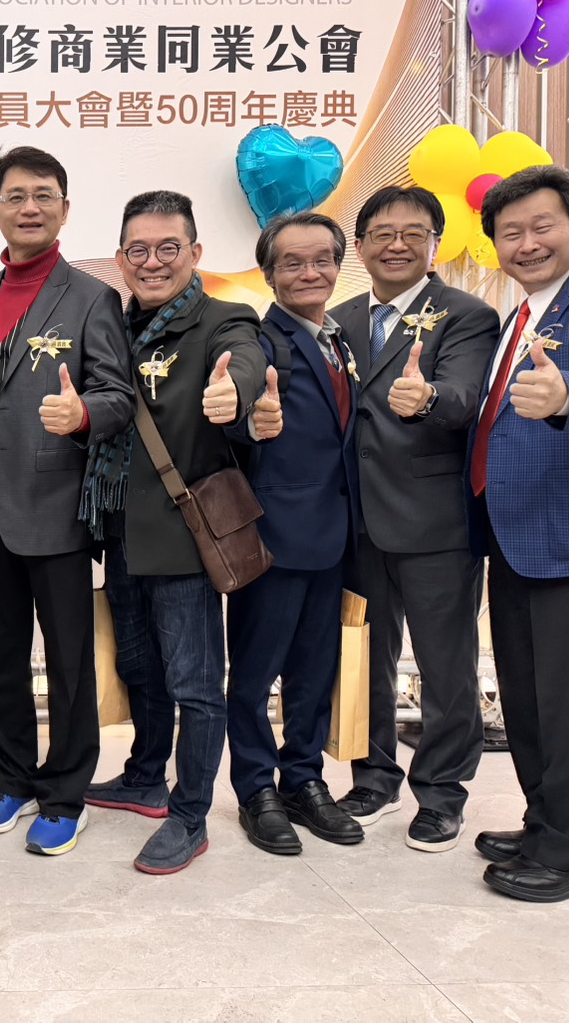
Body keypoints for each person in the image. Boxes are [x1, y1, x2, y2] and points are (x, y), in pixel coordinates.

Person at [80, 190, 278, 874]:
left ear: (194, 253)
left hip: (184, 537)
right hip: (119, 531)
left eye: (169, 248)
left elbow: (242, 359)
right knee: (139, 667)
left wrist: (235, 393)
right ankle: (144, 774)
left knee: (194, 684)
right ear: (120, 258)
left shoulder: (224, 318)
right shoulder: (108, 322)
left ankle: (189, 814)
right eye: (138, 249)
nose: (153, 261)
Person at [0, 146, 134, 856]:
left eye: (43, 195)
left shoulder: (92, 297)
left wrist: (83, 414)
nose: (29, 207)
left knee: (67, 660)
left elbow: (118, 395)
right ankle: (10, 781)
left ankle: (65, 794)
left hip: (57, 508)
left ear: (63, 209)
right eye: (15, 196)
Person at [468, 165, 569, 903]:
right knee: (529, 697)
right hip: (517, 534)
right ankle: (548, 822)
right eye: (510, 233)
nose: (526, 243)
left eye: (542, 226)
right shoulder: (520, 314)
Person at [329, 186, 499, 852]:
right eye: (382, 233)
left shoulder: (467, 315)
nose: (396, 245)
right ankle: (373, 779)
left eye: (413, 233)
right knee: (364, 659)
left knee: (445, 665)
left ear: (435, 244)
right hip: (354, 521)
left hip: (435, 522)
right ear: (361, 245)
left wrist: (428, 397)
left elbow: (465, 396)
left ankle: (442, 793)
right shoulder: (337, 318)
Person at [226, 211, 364, 856]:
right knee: (255, 676)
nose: (309, 272)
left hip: (337, 537)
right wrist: (249, 419)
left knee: (315, 671)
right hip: (274, 540)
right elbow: (235, 411)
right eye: (292, 263)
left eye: (321, 260)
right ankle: (256, 788)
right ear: (269, 274)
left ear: (338, 265)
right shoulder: (260, 341)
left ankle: (304, 780)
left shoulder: (341, 339)